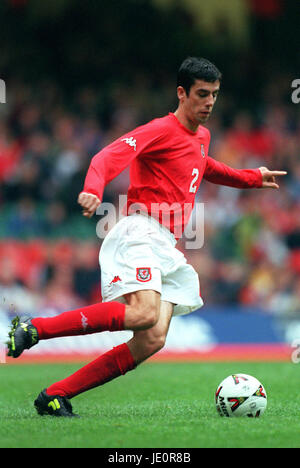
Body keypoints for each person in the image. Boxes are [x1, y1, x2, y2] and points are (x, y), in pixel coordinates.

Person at [7, 57, 287, 417]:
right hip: (139, 231)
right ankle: (35, 328)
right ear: (181, 93)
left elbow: (206, 167)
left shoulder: (202, 136)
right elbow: (108, 155)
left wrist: (251, 178)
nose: (209, 103)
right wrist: (93, 188)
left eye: (215, 95)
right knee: (142, 314)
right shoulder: (160, 129)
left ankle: (56, 395)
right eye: (202, 94)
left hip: (165, 245)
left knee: (152, 339)